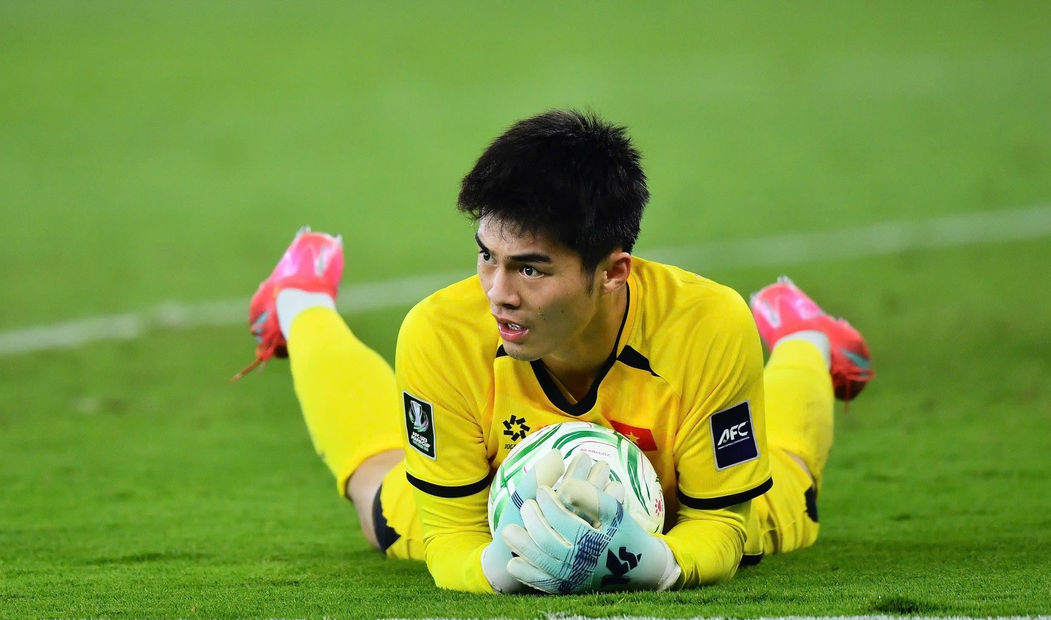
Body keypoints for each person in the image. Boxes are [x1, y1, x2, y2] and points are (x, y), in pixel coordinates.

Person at [237, 110, 874, 594]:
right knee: (379, 497)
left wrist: (658, 564)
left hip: (678, 510)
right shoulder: (442, 332)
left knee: (793, 487)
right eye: (487, 256)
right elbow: (451, 538)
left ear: (613, 271)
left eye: (531, 269)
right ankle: (300, 301)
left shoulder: (705, 325)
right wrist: (498, 565)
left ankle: (806, 337)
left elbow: (722, 526)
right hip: (496, 515)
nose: (498, 293)